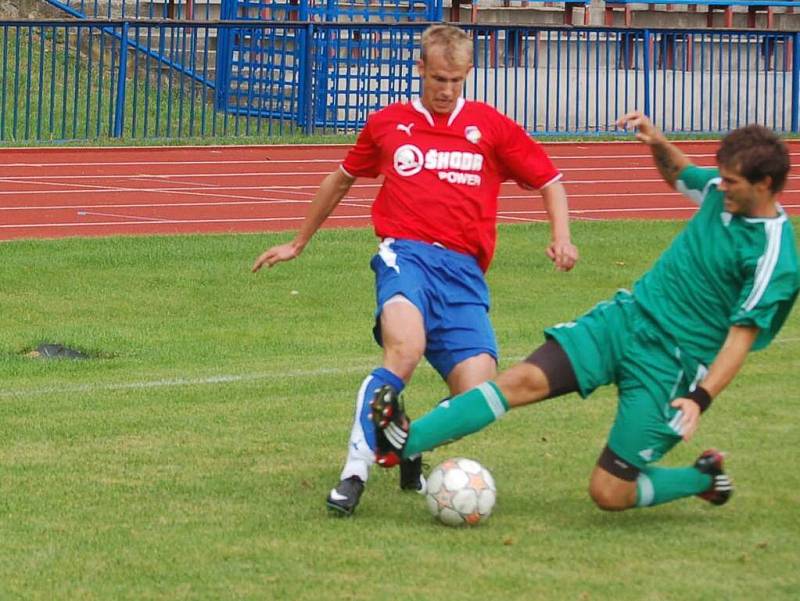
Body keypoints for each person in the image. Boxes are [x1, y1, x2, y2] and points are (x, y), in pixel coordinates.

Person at [371, 112, 799, 511]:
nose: (719, 186)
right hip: (624, 321)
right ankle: (402, 443)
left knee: (609, 492)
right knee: (520, 381)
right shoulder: (718, 194)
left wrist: (699, 398)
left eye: (731, 182)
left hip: (672, 368)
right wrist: (657, 142)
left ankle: (702, 479)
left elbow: (740, 339)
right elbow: (682, 175)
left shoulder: (773, 256)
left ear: (764, 184)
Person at [252, 24, 579, 516]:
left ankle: (408, 442)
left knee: (477, 393)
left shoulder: (491, 127)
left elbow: (551, 180)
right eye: (438, 79)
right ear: (420, 68)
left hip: (465, 273)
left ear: (468, 73)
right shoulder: (388, 124)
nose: (446, 90)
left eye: (456, 80)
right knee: (406, 347)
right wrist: (298, 242)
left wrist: (561, 236)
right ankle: (354, 472)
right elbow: (340, 181)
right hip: (405, 256)